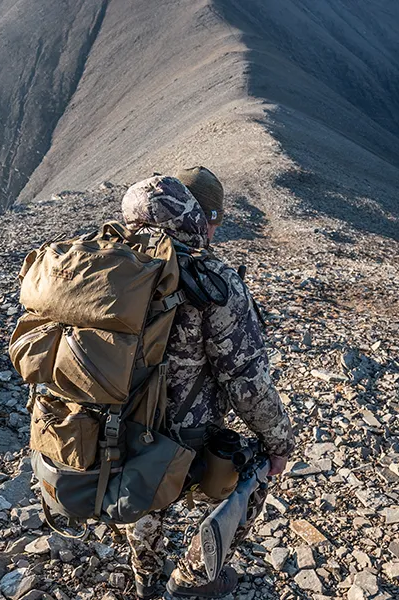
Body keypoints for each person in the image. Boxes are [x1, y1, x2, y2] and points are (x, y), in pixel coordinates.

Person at [120, 167, 294, 599]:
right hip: (183, 439)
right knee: (252, 471)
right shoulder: (213, 281)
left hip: (111, 424)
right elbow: (246, 381)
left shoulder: (110, 264)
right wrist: (278, 443)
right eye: (213, 220)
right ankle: (192, 581)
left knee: (141, 493)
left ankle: (146, 578)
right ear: (202, 218)